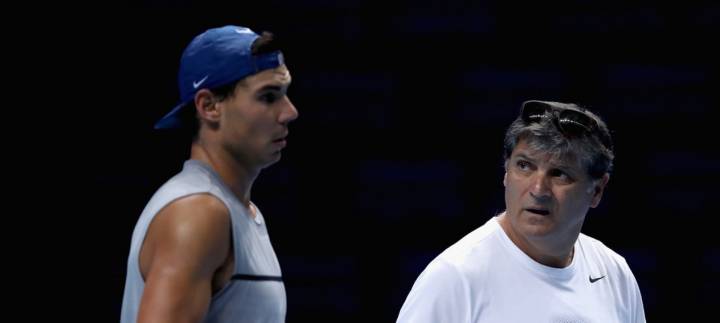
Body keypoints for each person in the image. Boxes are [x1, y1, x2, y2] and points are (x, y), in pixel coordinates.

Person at [397, 100, 645, 322]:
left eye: (559, 173)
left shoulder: (614, 274)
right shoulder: (454, 277)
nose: (538, 189)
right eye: (525, 166)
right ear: (506, 173)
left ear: (598, 190)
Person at [121, 25, 298, 323]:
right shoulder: (198, 213)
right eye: (269, 97)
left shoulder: (233, 211)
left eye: (285, 94)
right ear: (209, 106)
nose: (289, 111)